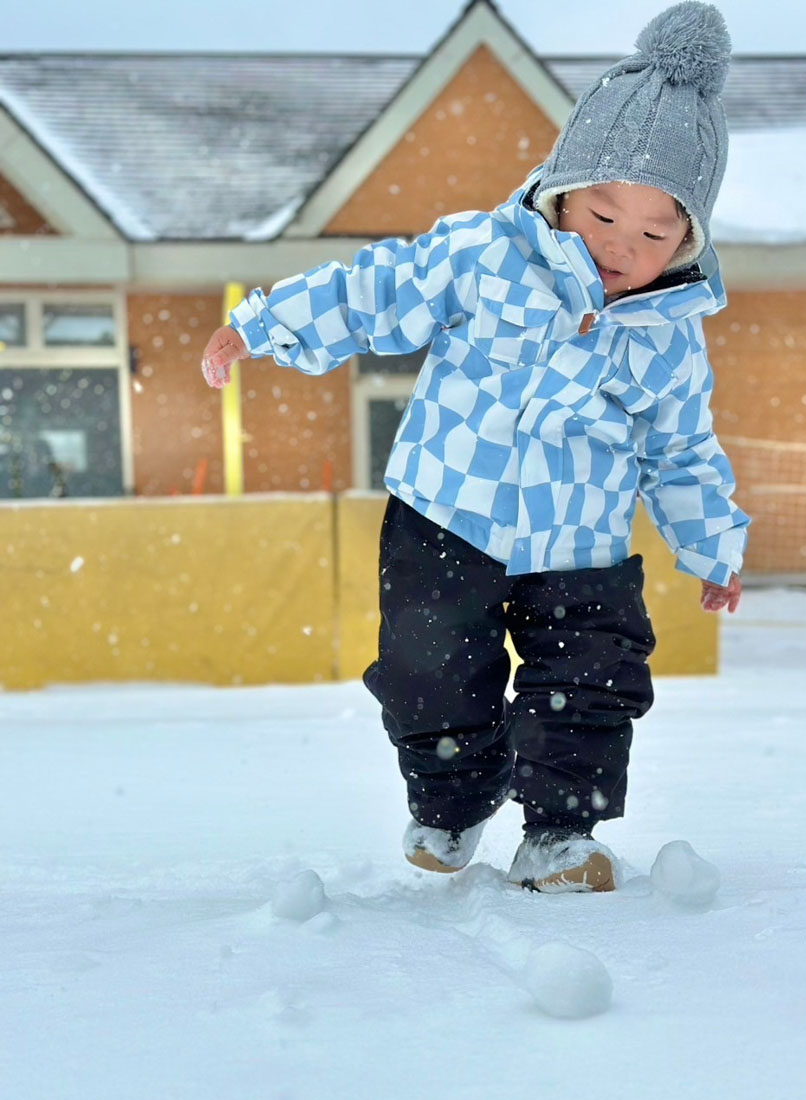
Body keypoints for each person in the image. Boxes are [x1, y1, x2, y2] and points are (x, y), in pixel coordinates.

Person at [201, 1, 750, 893]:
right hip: (446, 514)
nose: (620, 245)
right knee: (427, 679)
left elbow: (683, 450)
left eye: (655, 233)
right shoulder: (484, 255)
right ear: (564, 187)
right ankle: (454, 802)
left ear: (688, 241)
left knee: (593, 684)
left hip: (584, 544)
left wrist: (713, 545)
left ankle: (561, 836)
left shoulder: (670, 336)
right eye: (603, 214)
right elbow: (373, 292)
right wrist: (263, 327)